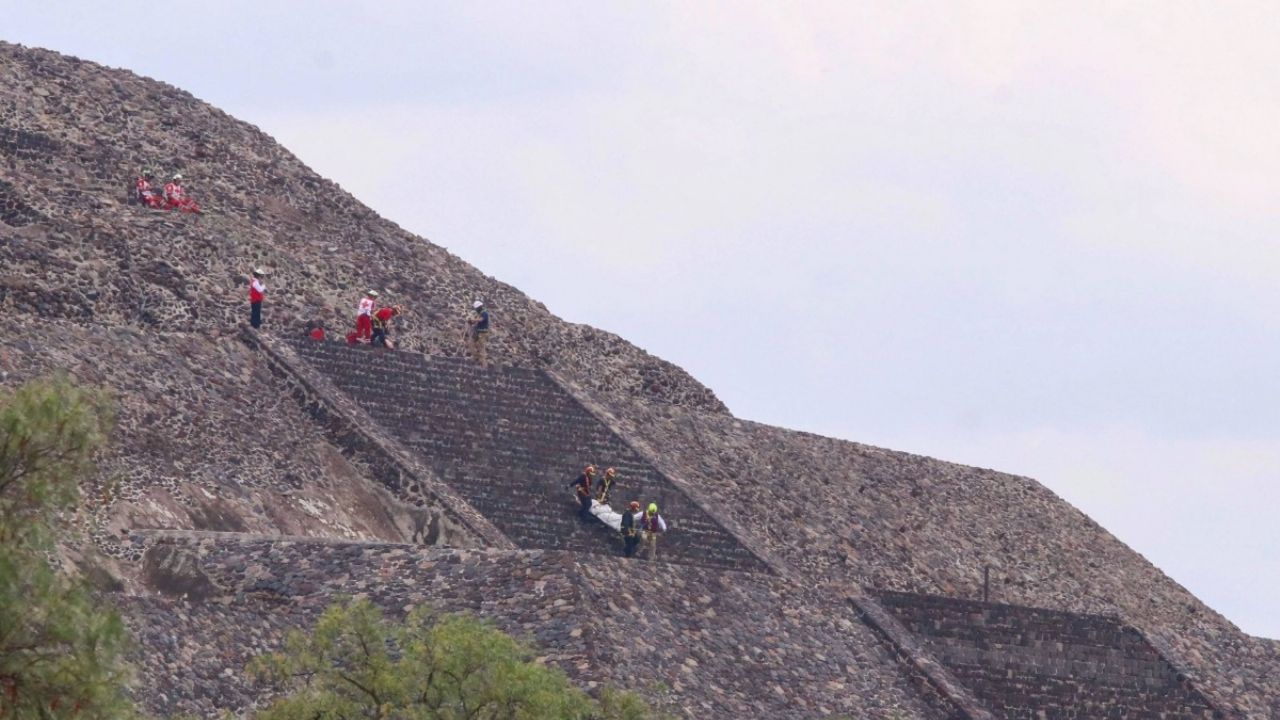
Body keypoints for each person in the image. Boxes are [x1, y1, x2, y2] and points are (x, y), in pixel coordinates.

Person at [468, 299, 490, 365]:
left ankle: (483, 363)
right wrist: (471, 321)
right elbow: (476, 320)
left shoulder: (484, 313)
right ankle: (476, 357)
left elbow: (480, 320)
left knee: (481, 347)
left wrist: (473, 320)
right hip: (477, 332)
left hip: (483, 333)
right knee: (471, 343)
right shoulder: (479, 313)